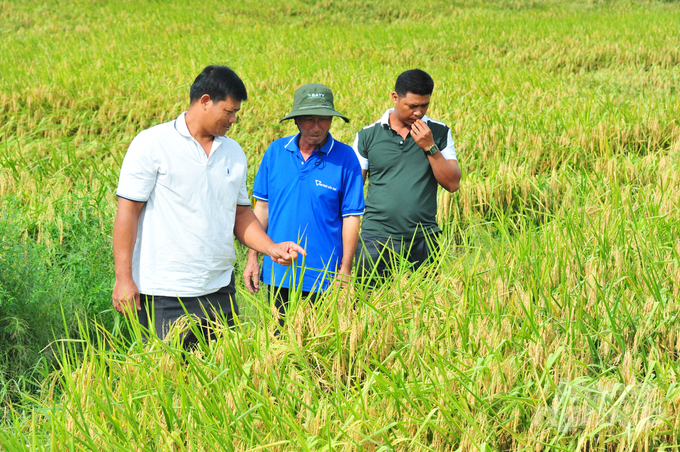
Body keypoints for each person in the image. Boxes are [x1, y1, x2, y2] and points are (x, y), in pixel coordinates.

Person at [112, 65, 305, 346]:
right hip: (165, 292)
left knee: (222, 381)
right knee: (166, 381)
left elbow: (241, 214)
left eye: (236, 113)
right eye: (229, 112)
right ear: (204, 101)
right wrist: (123, 278)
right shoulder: (152, 144)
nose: (234, 120)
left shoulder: (233, 153)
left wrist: (270, 247)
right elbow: (127, 213)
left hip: (219, 291)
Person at [243, 83, 364, 325]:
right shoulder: (276, 152)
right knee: (280, 342)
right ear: (296, 120)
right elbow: (261, 209)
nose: (317, 127)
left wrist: (345, 271)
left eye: (324, 119)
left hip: (325, 276)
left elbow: (351, 218)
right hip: (279, 272)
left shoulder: (345, 158)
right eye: (309, 119)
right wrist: (252, 257)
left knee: (323, 349)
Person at [353, 69, 461, 283]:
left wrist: (429, 147)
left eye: (424, 106)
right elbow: (353, 189)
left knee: (427, 307)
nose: (419, 113)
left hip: (424, 239)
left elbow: (453, 183)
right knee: (368, 304)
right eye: (412, 106)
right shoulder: (368, 135)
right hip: (376, 239)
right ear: (395, 98)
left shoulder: (438, 133)